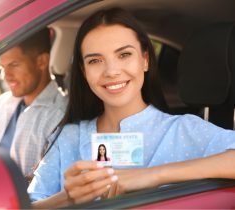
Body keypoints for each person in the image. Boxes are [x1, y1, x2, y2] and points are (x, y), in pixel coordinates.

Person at [28, 8, 235, 208]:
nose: (112, 71)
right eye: (95, 60)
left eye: (124, 55)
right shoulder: (68, 138)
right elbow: (28, 206)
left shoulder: (184, 130)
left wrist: (153, 175)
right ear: (84, 71)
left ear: (145, 60)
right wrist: (67, 200)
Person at [0, 28, 67, 180]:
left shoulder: (60, 114)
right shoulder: (3, 102)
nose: (6, 76)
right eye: (2, 67)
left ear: (42, 61)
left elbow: (45, 182)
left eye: (14, 64)